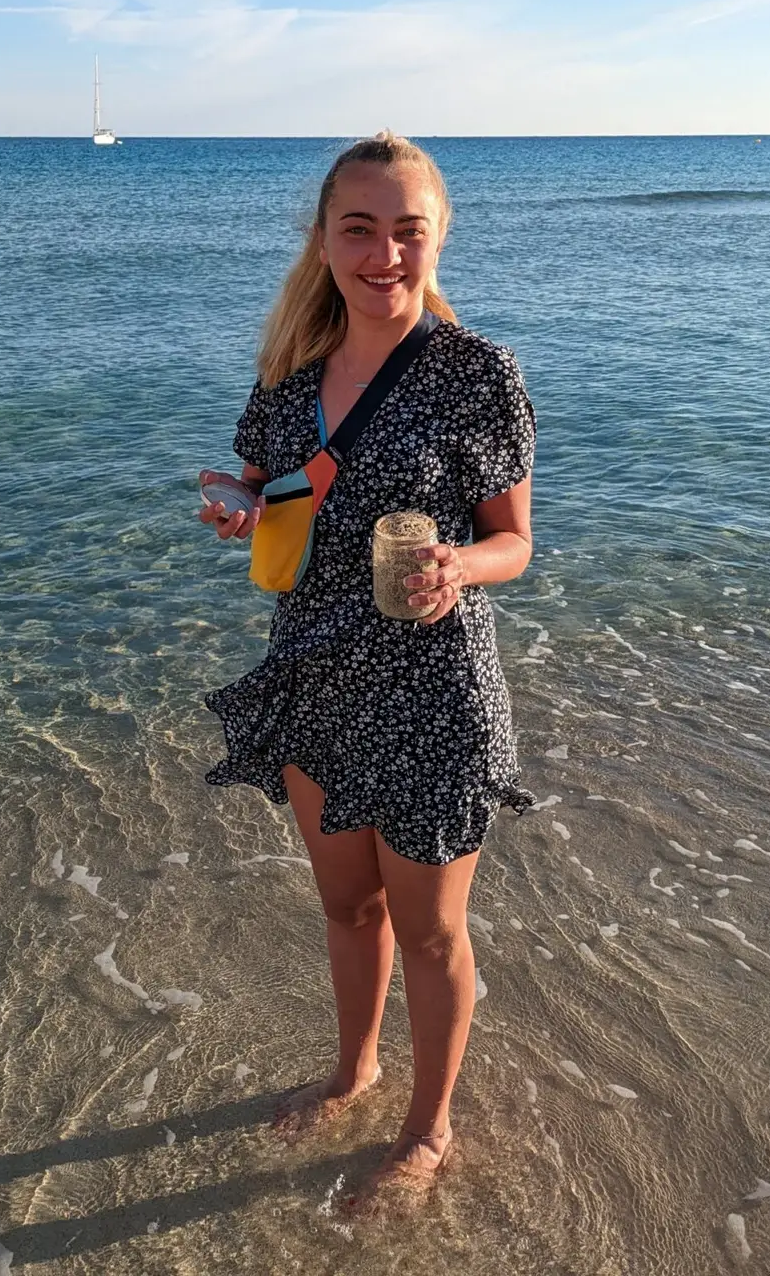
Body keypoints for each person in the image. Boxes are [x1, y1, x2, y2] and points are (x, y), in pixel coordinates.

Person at [197, 130, 537, 1220]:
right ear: (325, 238)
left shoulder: (474, 372)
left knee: (430, 927)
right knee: (347, 909)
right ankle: (354, 1072)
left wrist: (458, 564)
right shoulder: (286, 384)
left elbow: (514, 542)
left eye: (406, 229)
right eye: (360, 227)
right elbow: (263, 497)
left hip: (435, 687)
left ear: (433, 241)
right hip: (315, 677)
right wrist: (235, 511)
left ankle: (426, 1128)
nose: (382, 251)